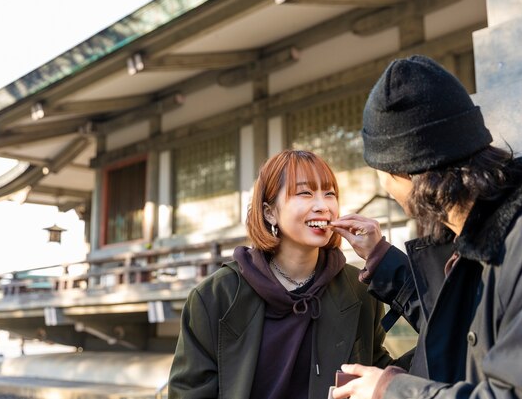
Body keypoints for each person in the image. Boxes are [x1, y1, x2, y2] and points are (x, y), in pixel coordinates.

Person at [330, 55, 522, 399]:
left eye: (380, 170)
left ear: (407, 170)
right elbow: (454, 334)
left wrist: (392, 391)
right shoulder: (478, 243)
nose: (385, 188)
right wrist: (380, 257)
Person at [168, 149, 396, 399]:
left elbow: (380, 372)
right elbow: (189, 392)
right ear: (269, 212)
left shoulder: (358, 289)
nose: (323, 206)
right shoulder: (215, 296)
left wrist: (384, 259)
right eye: (305, 193)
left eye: (329, 193)